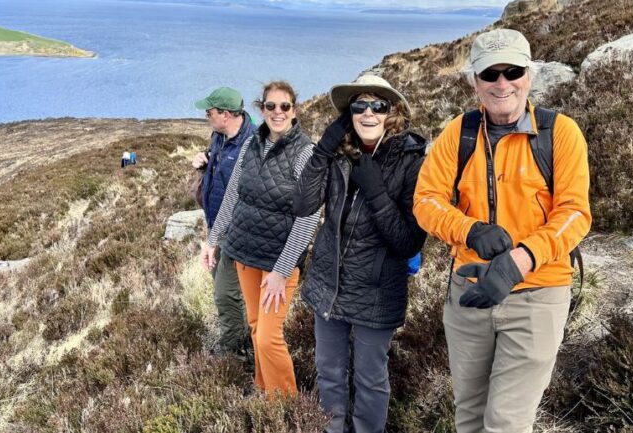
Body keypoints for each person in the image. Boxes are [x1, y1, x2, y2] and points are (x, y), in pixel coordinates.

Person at [413, 29, 592, 433]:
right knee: (470, 416)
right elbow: (426, 201)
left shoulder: (559, 134)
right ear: (474, 81)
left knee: (506, 423)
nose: (502, 83)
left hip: (537, 295)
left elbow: (574, 214)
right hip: (469, 294)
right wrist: (469, 229)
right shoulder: (457, 134)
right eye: (490, 73)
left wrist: (520, 259)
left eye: (512, 71)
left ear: (529, 75)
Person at [294, 74, 427, 433]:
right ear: (348, 113)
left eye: (377, 105)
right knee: (329, 371)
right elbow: (304, 203)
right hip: (329, 283)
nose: (368, 113)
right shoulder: (339, 153)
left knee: (370, 380)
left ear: (392, 111)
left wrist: (378, 193)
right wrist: (322, 150)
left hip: (377, 288)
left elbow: (408, 242)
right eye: (359, 105)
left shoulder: (411, 159)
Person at [200, 80, 318, 397]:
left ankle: (284, 406)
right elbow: (232, 197)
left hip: (279, 262)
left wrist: (281, 271)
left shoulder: (305, 152)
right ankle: (263, 390)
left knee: (268, 336)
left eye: (284, 106)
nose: (277, 112)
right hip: (244, 252)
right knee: (255, 326)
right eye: (270, 106)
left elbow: (308, 217)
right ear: (261, 108)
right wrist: (213, 240)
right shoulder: (252, 144)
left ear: (294, 111)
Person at [193, 86, 255, 361]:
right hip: (215, 226)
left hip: (237, 231)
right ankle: (244, 341)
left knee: (225, 294)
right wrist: (203, 163)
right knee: (227, 290)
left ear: (226, 114)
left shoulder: (251, 145)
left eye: (210, 112)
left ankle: (234, 351)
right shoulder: (219, 136)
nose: (206, 115)